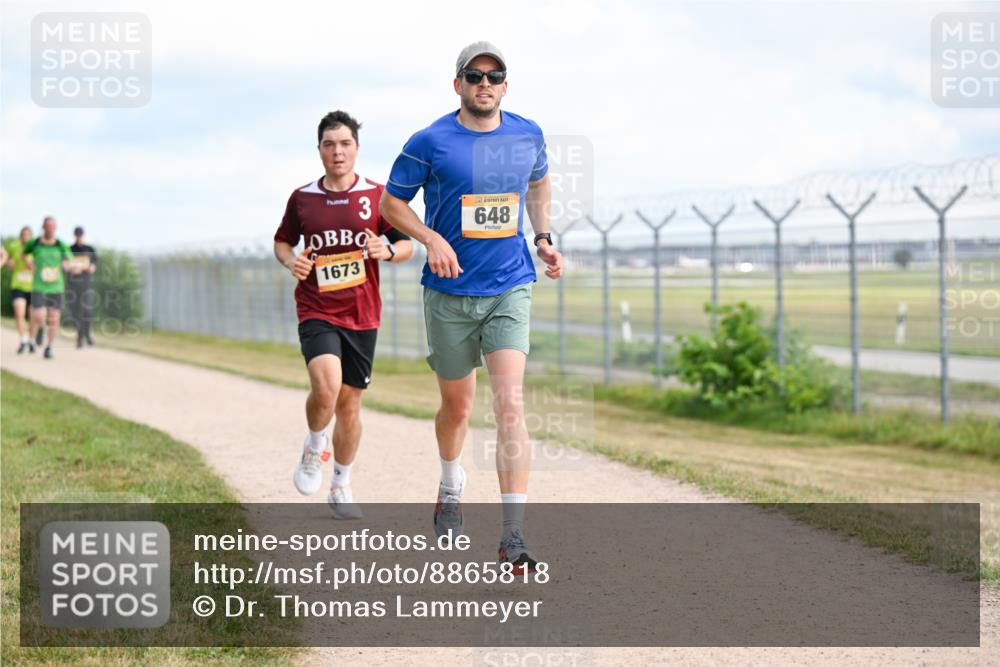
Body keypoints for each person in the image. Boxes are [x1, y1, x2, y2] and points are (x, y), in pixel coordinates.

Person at [381, 42, 564, 572]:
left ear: (506, 85)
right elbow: (391, 203)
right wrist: (430, 238)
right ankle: (450, 483)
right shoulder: (429, 141)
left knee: (510, 406)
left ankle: (513, 537)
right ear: (457, 83)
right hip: (449, 292)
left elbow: (539, 182)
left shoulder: (527, 134)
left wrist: (543, 236)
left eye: (494, 75)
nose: (485, 83)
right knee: (457, 408)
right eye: (474, 75)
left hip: (510, 286)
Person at [274, 110, 414, 518]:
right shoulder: (303, 198)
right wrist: (292, 262)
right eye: (329, 144)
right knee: (327, 387)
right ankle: (314, 445)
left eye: (345, 143)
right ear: (319, 149)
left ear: (357, 148)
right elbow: (283, 242)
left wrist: (387, 250)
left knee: (350, 404)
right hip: (316, 307)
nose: (337, 151)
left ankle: (341, 484)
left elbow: (407, 245)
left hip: (362, 313)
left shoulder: (378, 196)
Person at [24, 217, 73, 359]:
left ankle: (49, 347)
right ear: (43, 227)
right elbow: (24, 254)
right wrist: (28, 263)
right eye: (48, 226)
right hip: (39, 285)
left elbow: (69, 259)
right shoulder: (35, 243)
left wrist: (66, 265)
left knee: (54, 319)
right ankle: (40, 328)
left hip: (56, 287)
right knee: (39, 316)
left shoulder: (60, 244)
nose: (50, 229)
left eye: (53, 226)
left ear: (55, 228)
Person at [4, 226, 36, 353]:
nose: (25, 237)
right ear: (20, 235)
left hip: (33, 286)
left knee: (33, 316)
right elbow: (7, 260)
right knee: (19, 313)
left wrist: (26, 260)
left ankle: (31, 339)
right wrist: (9, 264)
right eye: (23, 234)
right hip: (18, 285)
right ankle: (23, 340)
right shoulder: (13, 246)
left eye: (28, 235)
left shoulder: (35, 248)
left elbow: (36, 268)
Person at [67, 226, 99, 348]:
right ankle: (80, 334)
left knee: (87, 310)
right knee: (74, 311)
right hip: (72, 284)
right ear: (74, 235)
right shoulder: (69, 249)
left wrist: (90, 267)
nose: (79, 237)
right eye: (77, 235)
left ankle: (87, 334)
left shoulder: (89, 249)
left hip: (86, 284)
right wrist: (71, 268)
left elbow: (94, 264)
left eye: (80, 235)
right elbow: (64, 264)